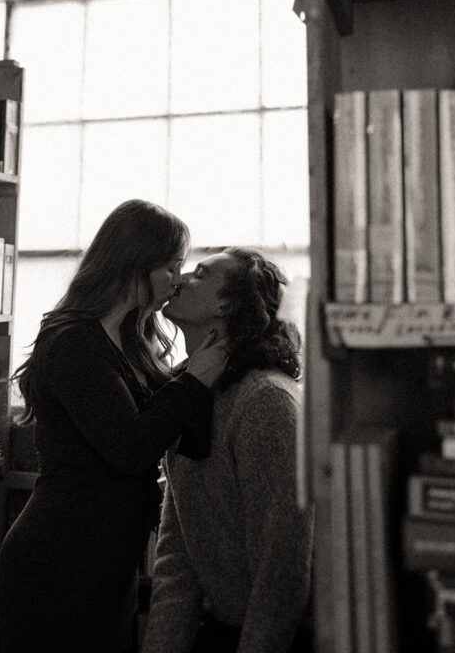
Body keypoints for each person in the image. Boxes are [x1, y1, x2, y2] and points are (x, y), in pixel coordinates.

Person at [0, 199, 228, 653]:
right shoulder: (73, 341)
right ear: (134, 263)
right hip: (56, 566)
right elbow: (131, 446)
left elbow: (162, 414)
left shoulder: (129, 337)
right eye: (172, 265)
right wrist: (195, 377)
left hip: (108, 565)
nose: (177, 279)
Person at [143, 246, 314, 653]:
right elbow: (177, 551)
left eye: (200, 273)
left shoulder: (265, 401)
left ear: (227, 303)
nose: (180, 279)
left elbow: (282, 567)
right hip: (223, 625)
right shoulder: (193, 393)